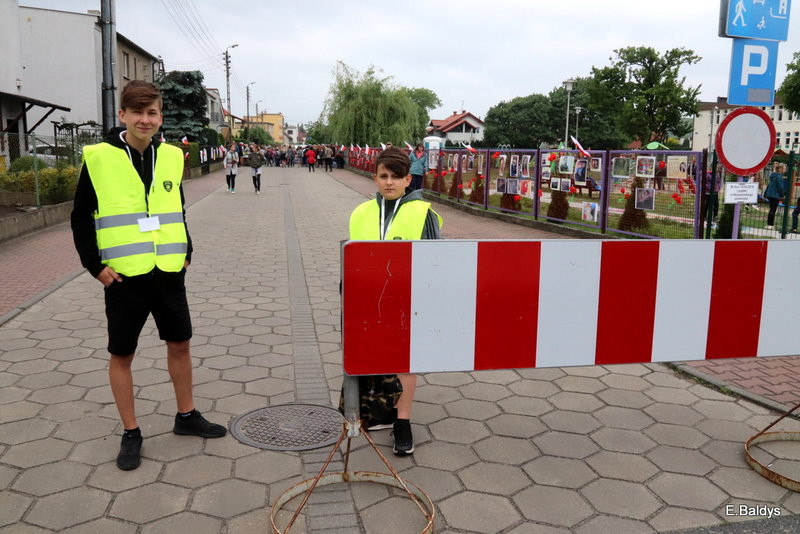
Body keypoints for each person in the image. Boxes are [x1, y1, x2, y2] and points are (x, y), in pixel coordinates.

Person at [70, 81, 226, 472]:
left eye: (152, 113)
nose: (145, 120)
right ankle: (131, 432)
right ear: (122, 115)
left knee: (180, 344)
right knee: (122, 354)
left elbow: (177, 208)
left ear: (160, 117)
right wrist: (94, 266)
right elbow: (80, 217)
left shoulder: (171, 156)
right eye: (138, 112)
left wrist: (187, 251)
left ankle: (186, 415)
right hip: (123, 277)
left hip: (168, 272)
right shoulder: (100, 158)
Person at [348, 147, 443, 456]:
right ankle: (380, 410)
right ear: (375, 178)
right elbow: (350, 257)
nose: (389, 182)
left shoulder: (423, 213)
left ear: (408, 180)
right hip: (368, 297)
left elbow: (435, 261)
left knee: (404, 362)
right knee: (373, 355)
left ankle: (403, 421)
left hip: (407, 298)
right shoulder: (361, 212)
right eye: (383, 176)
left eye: (396, 176)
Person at [765, 163, 787, 230]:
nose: (785, 170)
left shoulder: (773, 175)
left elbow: (769, 185)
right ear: (780, 169)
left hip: (770, 194)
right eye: (784, 169)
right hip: (775, 195)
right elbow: (780, 187)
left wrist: (766, 193)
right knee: (773, 210)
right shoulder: (779, 177)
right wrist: (782, 195)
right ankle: (771, 225)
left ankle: (768, 224)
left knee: (771, 209)